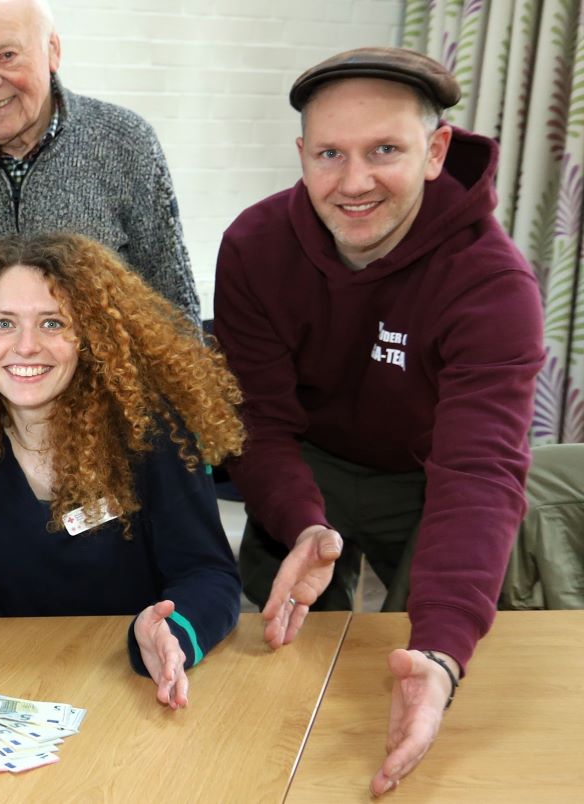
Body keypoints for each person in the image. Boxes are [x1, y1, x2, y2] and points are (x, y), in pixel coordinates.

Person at [212, 47, 544, 796]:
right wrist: (301, 523)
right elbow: (257, 421)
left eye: (384, 150)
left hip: (428, 477)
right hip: (307, 461)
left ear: (436, 151)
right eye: (330, 153)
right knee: (277, 661)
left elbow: (479, 475)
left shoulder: (493, 285)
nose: (354, 182)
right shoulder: (254, 248)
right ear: (301, 155)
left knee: (415, 658)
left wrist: (441, 655)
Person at [0, 233, 243, 708]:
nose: (26, 346)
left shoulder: (152, 435)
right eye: (3, 323)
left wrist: (170, 632)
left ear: (91, 336)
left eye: (52, 322)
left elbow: (211, 575)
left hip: (127, 689)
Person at [0, 0, 198, 388]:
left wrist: (177, 436)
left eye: (7, 56)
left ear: (53, 51)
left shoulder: (125, 143)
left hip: (109, 429)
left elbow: (173, 308)